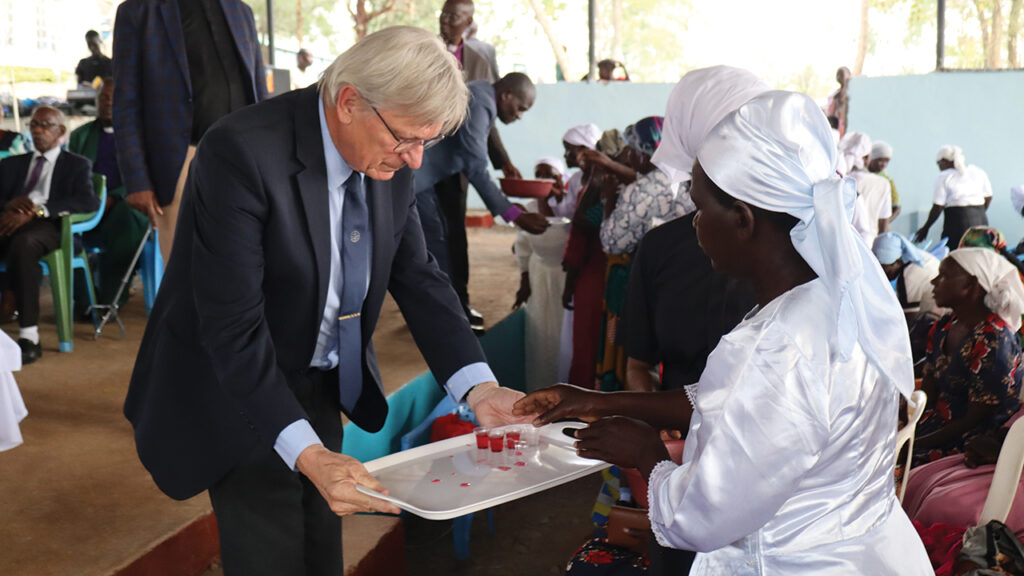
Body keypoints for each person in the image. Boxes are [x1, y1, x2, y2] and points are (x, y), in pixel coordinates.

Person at [122, 27, 529, 576]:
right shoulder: (241, 151)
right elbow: (233, 328)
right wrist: (308, 453)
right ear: (349, 102)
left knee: (321, 551)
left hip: (322, 374)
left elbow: (417, 275)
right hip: (238, 386)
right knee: (270, 554)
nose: (414, 162)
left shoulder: (386, 147)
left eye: (426, 145)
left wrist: (479, 387)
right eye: (406, 140)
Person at [514, 90, 932, 573]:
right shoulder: (833, 300)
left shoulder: (783, 347)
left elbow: (701, 517)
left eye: (699, 208)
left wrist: (645, 453)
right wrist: (595, 401)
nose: (693, 225)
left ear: (742, 219)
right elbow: (726, 399)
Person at [619, 66, 765, 395]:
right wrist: (659, 426)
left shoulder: (790, 249)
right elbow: (638, 366)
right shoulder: (660, 247)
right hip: (676, 441)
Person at [112, 0, 268, 265]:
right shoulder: (139, 11)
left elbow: (259, 89)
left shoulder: (241, 11)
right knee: (184, 272)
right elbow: (125, 103)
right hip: (179, 162)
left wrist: (269, 156)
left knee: (245, 266)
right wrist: (137, 180)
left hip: (244, 159)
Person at [412, 72, 548, 315]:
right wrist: (514, 214)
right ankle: (444, 314)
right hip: (416, 180)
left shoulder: (481, 93)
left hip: (424, 181)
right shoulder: (479, 101)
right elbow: (475, 167)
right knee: (432, 247)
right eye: (520, 108)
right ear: (506, 95)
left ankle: (445, 311)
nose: (519, 115)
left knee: (436, 245)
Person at [434, 0, 517, 329]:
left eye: (453, 17)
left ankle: (460, 302)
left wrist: (504, 161)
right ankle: (430, 307)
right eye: (442, 15)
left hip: (460, 159)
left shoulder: (480, 59)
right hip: (421, 154)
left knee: (454, 231)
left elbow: (489, 113)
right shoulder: (423, 50)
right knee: (424, 235)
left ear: (468, 22)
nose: (445, 21)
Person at [0, 107, 99, 364]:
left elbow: (88, 202)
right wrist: (9, 205)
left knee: (24, 244)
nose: (37, 130)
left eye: (46, 124)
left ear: (61, 131)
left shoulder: (77, 165)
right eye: (34, 124)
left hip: (50, 227)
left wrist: (39, 211)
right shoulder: (11, 164)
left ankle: (29, 336)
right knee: (17, 239)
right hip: (10, 223)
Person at [913, 248, 1024, 467]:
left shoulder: (993, 340)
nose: (934, 281)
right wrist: (907, 424)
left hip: (971, 439)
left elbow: (975, 420)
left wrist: (912, 444)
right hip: (938, 425)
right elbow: (929, 393)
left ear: (970, 285)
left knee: (889, 464)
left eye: (944, 275)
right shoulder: (943, 327)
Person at [67, 78, 149, 310]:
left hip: (126, 205)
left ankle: (112, 300)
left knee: (125, 217)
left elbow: (143, 176)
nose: (108, 102)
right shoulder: (81, 135)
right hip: (88, 204)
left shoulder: (138, 137)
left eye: (115, 97)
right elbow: (72, 175)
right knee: (60, 227)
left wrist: (114, 197)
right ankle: (85, 301)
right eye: (104, 97)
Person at [513, 162, 572, 391]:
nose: (544, 179)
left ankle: (567, 389)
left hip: (565, 278)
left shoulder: (568, 207)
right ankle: (539, 389)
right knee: (540, 336)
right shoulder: (528, 208)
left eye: (550, 175)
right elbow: (523, 246)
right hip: (539, 278)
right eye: (539, 175)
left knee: (563, 337)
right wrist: (524, 280)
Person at [914, 145, 992, 249]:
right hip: (981, 222)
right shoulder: (978, 172)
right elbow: (988, 197)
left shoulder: (944, 176)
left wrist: (926, 228)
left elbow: (938, 207)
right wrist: (978, 212)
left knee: (955, 257)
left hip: (958, 223)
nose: (939, 167)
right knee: (979, 254)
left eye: (938, 164)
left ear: (944, 161)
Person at [872, 232, 944, 318]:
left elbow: (909, 320)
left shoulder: (907, 277)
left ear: (898, 262)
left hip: (938, 316)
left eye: (884, 268)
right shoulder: (917, 256)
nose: (882, 274)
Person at [840, 132, 892, 247]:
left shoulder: (840, 181)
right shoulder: (883, 184)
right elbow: (883, 223)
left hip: (841, 244)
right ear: (868, 158)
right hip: (870, 245)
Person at [868, 140, 901, 222]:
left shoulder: (887, 179)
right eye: (880, 160)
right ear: (871, 158)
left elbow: (897, 207)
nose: (884, 164)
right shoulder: (862, 176)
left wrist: (886, 222)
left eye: (887, 161)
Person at [826, 65, 850, 137]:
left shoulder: (851, 92)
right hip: (839, 126)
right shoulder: (834, 95)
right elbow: (830, 113)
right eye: (839, 75)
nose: (840, 77)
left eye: (842, 74)